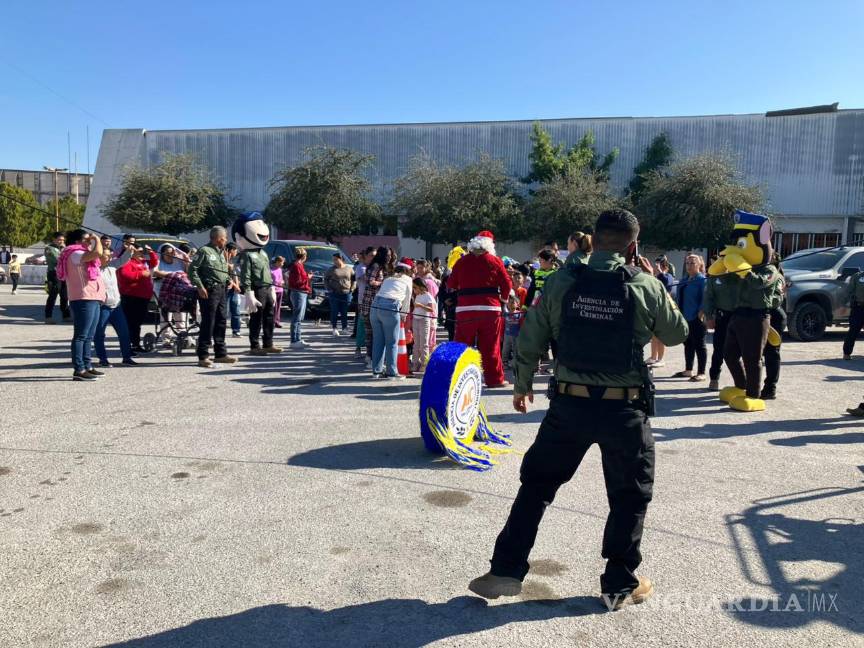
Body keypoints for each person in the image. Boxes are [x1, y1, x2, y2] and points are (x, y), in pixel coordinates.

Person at [468, 209, 688, 610]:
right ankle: (619, 584)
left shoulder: (562, 281)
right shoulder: (643, 284)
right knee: (629, 496)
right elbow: (676, 333)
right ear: (632, 244)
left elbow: (533, 334)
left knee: (536, 487)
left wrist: (521, 385)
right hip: (624, 411)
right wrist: (653, 283)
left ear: (595, 239)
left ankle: (504, 570)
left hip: (569, 405)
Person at [448, 230, 512, 388]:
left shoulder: (461, 262)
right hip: (490, 309)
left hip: (465, 310)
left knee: (462, 345)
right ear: (490, 245)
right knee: (491, 346)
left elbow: (450, 284)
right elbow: (507, 284)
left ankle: (459, 379)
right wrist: (503, 300)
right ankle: (494, 379)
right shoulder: (495, 260)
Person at [57, 230, 107, 381]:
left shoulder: (83, 254)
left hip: (93, 297)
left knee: (89, 336)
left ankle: (88, 365)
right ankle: (79, 369)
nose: (89, 241)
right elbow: (98, 252)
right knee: (81, 335)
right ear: (77, 241)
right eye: (86, 239)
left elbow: (102, 257)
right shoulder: (75, 254)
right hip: (83, 298)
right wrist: (97, 239)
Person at [188, 226, 237, 368]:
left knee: (221, 320)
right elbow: (193, 270)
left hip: (221, 290)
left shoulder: (222, 253)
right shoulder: (204, 251)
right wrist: (199, 286)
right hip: (209, 290)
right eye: (225, 238)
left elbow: (222, 271)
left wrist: (229, 280)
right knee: (209, 321)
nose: (226, 240)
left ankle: (220, 354)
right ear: (218, 238)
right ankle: (203, 356)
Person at [370, 259, 413, 379]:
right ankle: (391, 372)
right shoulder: (408, 280)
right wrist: (404, 315)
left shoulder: (388, 278)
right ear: (408, 270)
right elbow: (407, 299)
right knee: (392, 342)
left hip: (374, 306)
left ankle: (376, 371)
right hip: (391, 306)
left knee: (378, 341)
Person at [94, 247, 136, 367]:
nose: (109, 257)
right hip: (103, 307)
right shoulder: (95, 270)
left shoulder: (112, 266)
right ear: (99, 257)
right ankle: (103, 359)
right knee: (99, 334)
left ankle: (127, 357)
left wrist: (129, 250)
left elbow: (123, 260)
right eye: (106, 255)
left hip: (116, 306)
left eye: (110, 255)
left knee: (124, 332)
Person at [239, 239, 280, 356]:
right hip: (257, 288)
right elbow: (245, 275)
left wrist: (272, 287)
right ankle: (255, 346)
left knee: (269, 317)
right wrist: (248, 292)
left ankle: (268, 344)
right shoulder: (247, 254)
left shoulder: (263, 253)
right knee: (256, 318)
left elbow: (268, 271)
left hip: (267, 288)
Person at [117, 244, 159, 354]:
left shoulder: (142, 262)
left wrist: (151, 252)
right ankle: (129, 346)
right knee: (131, 323)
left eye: (142, 251)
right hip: (131, 297)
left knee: (137, 323)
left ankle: (135, 344)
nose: (142, 253)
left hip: (143, 297)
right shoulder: (126, 262)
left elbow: (154, 262)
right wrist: (141, 274)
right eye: (139, 251)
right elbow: (125, 275)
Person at [703, 261, 738, 391]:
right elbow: (708, 298)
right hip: (722, 316)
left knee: (739, 350)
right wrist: (709, 316)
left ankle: (740, 382)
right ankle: (714, 379)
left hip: (739, 316)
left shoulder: (740, 274)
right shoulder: (714, 277)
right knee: (718, 349)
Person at [674, 254, 707, 381]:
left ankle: (701, 372)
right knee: (688, 344)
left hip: (697, 317)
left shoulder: (702, 280)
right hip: (684, 317)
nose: (689, 265)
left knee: (700, 345)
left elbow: (705, 298)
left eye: (692, 263)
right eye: (687, 263)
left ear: (699, 265)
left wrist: (701, 311)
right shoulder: (684, 280)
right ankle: (688, 370)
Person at [761, 257, 786, 399]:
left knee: (771, 353)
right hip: (761, 316)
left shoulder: (777, 277)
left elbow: (776, 299)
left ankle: (770, 388)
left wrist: (760, 301)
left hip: (774, 316)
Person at [360, 247, 390, 365]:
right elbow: (371, 281)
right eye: (387, 255)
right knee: (371, 333)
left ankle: (372, 357)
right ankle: (370, 357)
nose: (388, 257)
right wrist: (384, 283)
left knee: (374, 333)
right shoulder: (376, 266)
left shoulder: (379, 266)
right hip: (370, 303)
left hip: (376, 303)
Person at [648, 258, 674, 368]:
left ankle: (661, 358)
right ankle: (653, 357)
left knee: (660, 335)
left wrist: (661, 272)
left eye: (661, 267)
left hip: (664, 308)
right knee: (654, 335)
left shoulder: (668, 276)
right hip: (655, 308)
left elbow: (667, 284)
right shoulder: (656, 277)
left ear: (666, 268)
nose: (657, 269)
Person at [287, 248, 312, 348]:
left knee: (300, 317)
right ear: (304, 256)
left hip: (302, 292)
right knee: (297, 317)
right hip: (298, 292)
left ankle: (298, 339)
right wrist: (308, 277)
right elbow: (296, 282)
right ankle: (294, 340)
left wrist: (306, 277)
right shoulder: (296, 266)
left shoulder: (299, 265)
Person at [324, 253, 354, 336]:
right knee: (335, 311)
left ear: (341, 259)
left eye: (336, 259)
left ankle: (344, 328)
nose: (334, 261)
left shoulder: (349, 268)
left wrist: (352, 288)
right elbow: (326, 279)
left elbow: (353, 279)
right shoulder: (331, 269)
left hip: (346, 293)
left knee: (344, 311)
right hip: (334, 293)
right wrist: (329, 289)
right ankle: (334, 328)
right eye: (333, 260)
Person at [44, 231, 71, 323]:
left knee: (65, 296)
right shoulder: (49, 248)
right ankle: (48, 317)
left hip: (64, 274)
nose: (61, 241)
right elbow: (58, 259)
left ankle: (66, 315)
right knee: (53, 295)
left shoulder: (64, 248)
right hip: (54, 274)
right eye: (59, 240)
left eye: (63, 240)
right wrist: (64, 252)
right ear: (54, 239)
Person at [411, 277, 436, 373]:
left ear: (421, 287)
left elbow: (431, 309)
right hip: (416, 319)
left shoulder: (428, 296)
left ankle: (424, 363)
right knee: (416, 343)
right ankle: (415, 362)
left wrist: (421, 306)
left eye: (415, 287)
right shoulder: (417, 296)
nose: (414, 289)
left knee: (424, 343)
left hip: (424, 320)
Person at [843, 265, 864, 360]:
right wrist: (845, 305)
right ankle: (847, 353)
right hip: (858, 308)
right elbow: (849, 291)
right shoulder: (858, 276)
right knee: (853, 331)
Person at [501, 295, 524, 368]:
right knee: (505, 349)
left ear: (517, 304)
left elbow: (522, 326)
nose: (511, 304)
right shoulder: (506, 314)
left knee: (516, 349)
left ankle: (516, 363)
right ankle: (504, 362)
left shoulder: (520, 314)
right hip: (507, 335)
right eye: (509, 303)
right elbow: (502, 326)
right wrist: (501, 336)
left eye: (513, 302)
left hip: (517, 336)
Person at [225, 243, 243, 337]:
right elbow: (226, 276)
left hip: (234, 289)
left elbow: (234, 274)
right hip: (226, 289)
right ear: (231, 250)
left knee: (236, 310)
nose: (236, 252)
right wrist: (235, 285)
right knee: (223, 311)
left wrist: (237, 285)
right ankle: (220, 331)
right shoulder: (223, 260)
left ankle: (236, 331)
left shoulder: (232, 261)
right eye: (235, 250)